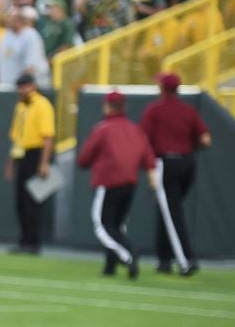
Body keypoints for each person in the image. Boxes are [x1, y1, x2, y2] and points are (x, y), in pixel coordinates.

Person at [77, 91, 159, 278]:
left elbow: (84, 159)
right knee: (118, 225)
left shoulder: (103, 128)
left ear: (107, 106)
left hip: (108, 183)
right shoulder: (135, 129)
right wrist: (154, 185)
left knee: (103, 227)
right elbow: (149, 160)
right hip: (130, 184)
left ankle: (128, 253)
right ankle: (110, 266)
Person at [139, 72, 211, 275]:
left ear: (162, 88)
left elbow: (142, 138)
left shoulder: (155, 110)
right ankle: (164, 260)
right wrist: (188, 147)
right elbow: (206, 140)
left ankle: (186, 260)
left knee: (171, 212)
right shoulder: (188, 111)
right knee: (167, 208)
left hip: (166, 164)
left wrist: (149, 166)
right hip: (188, 163)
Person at [5, 73, 54, 254]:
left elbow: (48, 137)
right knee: (21, 201)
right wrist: (10, 163)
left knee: (32, 202)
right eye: (19, 87)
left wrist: (44, 163)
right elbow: (16, 137)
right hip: (21, 155)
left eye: (24, 86)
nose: (21, 90)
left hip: (36, 154)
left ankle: (33, 243)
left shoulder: (43, 105)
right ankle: (24, 240)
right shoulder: (20, 106)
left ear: (32, 86)